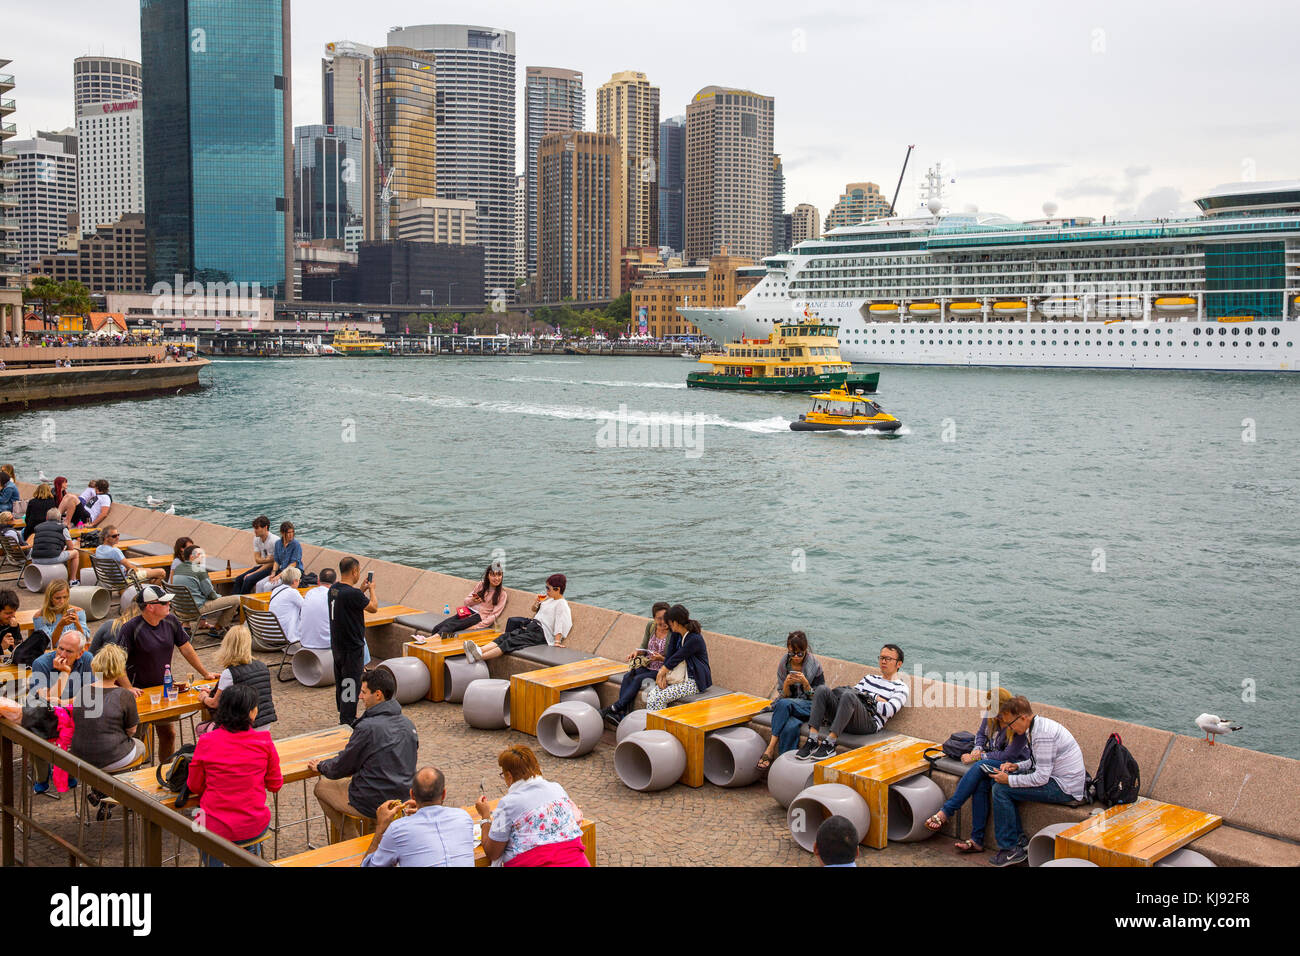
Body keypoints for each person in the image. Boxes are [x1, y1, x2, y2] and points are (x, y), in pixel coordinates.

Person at [308, 667, 418, 842]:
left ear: (378, 695)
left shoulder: (367, 728)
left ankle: (351, 839)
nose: (360, 696)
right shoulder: (408, 724)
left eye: (364, 692)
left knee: (322, 787)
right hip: (403, 796)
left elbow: (342, 766)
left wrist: (321, 766)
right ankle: (375, 835)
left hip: (372, 799)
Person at [117, 584, 219, 761]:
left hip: (164, 689)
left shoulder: (171, 621)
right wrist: (128, 687)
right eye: (164, 602)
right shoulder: (130, 629)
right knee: (136, 739)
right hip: (139, 692)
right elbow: (116, 663)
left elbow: (186, 648)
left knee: (169, 734)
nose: (169, 604)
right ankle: (136, 779)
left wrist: (205, 672)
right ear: (150, 606)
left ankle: (165, 772)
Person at [924, 687, 1031, 854]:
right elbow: (980, 735)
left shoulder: (1015, 724)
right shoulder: (991, 716)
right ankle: (977, 840)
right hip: (993, 762)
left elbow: (1007, 754)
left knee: (978, 767)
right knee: (980, 784)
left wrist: (978, 757)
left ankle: (946, 811)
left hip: (1014, 765)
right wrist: (977, 748)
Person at [187, 684, 283, 866]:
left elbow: (194, 785)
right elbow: (275, 784)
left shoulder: (206, 741)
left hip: (214, 826)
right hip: (253, 823)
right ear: (251, 713)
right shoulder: (264, 741)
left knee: (204, 838)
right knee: (249, 846)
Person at [988, 696, 1088, 867]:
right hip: (1057, 779)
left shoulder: (1042, 734)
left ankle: (1011, 848)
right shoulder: (1037, 727)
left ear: (1023, 717)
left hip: (1065, 787)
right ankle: (1018, 841)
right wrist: (1016, 767)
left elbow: (1041, 777)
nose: (1009, 729)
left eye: (1010, 724)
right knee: (998, 785)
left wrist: (1009, 780)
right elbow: (1038, 762)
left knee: (1001, 789)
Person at [473, 744, 588, 867]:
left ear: (509, 776)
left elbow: (492, 852)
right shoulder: (557, 788)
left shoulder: (507, 804)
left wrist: (485, 816)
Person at [795, 644, 909, 761]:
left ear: (899, 664)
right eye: (881, 658)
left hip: (868, 723)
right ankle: (812, 739)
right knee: (821, 690)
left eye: (888, 659)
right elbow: (853, 693)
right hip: (846, 716)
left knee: (849, 696)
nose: (883, 661)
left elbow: (889, 710)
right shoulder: (869, 678)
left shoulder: (901, 687)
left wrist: (864, 697)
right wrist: (874, 697)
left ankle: (829, 744)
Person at [362, 766, 476, 868]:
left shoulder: (397, 829)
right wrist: (425, 812)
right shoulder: (463, 817)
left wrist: (380, 828)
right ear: (444, 794)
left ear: (412, 794)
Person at [70, 644, 145, 774]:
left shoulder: (83, 691)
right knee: (140, 746)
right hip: (109, 756)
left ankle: (100, 788)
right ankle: (125, 788)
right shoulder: (124, 695)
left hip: (80, 755)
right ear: (120, 669)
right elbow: (132, 730)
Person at [757, 630, 827, 770]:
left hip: (812, 706)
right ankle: (785, 766)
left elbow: (820, 698)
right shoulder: (784, 664)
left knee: (782, 704)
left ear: (805, 650)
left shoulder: (814, 666)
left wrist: (806, 684)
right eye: (792, 653)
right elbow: (785, 695)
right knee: (790, 726)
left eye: (799, 654)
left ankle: (770, 748)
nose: (795, 657)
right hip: (791, 705)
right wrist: (786, 685)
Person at [464, 573, 571, 663]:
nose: (546, 590)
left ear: (557, 589)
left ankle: (479, 657)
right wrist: (537, 604)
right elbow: (534, 610)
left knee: (511, 642)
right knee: (505, 636)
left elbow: (560, 623)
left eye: (548, 588)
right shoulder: (549, 599)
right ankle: (479, 650)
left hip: (541, 634)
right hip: (532, 627)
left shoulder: (561, 604)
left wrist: (557, 642)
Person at [601, 601, 670, 727]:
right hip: (648, 664)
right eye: (659, 618)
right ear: (654, 618)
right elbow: (644, 646)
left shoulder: (673, 633)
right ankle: (622, 714)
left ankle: (615, 708)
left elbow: (673, 658)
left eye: (666, 617)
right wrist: (636, 653)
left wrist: (660, 658)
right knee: (628, 676)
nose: (663, 621)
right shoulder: (651, 626)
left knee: (638, 679)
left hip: (661, 669)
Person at [328, 557, 377, 725]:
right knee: (351, 682)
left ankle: (343, 710)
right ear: (355, 571)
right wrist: (371, 589)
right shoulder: (353, 594)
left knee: (341, 679)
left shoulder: (333, 590)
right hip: (352, 647)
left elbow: (348, 599)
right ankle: (347, 719)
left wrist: (360, 590)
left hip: (337, 645)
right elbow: (374, 607)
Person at [198, 625, 277, 728]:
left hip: (243, 727)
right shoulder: (262, 666)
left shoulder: (230, 673)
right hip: (264, 722)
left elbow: (214, 704)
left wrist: (204, 697)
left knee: (201, 728)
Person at [645, 604, 712, 711]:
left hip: (694, 681)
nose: (668, 626)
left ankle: (660, 726)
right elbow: (670, 656)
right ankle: (652, 725)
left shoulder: (694, 638)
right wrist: (663, 676)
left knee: (659, 698)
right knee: (652, 694)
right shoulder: (676, 634)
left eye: (669, 623)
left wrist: (661, 672)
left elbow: (678, 657)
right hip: (679, 677)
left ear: (675, 622)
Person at [170, 543, 241, 633]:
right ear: (192, 557)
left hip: (180, 610)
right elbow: (210, 594)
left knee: (192, 596)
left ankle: (186, 627)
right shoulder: (199, 570)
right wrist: (221, 598)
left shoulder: (178, 568)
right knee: (236, 599)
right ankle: (218, 628)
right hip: (195, 611)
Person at [426, 561, 507, 638]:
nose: (496, 578)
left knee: (450, 626)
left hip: (478, 617)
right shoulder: (480, 585)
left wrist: (477, 626)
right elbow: (466, 602)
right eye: (493, 575)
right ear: (488, 576)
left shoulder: (502, 594)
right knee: (438, 627)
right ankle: (432, 642)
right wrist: (473, 600)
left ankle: (428, 640)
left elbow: (494, 615)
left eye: (499, 575)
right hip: (466, 612)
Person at [29, 628, 95, 704]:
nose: (62, 654)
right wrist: (65, 672)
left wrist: (64, 702)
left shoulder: (87, 658)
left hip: (77, 708)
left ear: (79, 654)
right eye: (61, 648)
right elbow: (46, 702)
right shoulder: (40, 664)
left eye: (69, 651)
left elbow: (92, 694)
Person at [94, 525, 166, 584]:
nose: (117, 537)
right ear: (106, 538)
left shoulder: (98, 549)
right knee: (161, 572)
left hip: (110, 578)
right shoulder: (115, 551)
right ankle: (151, 594)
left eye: (118, 535)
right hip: (124, 579)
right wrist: (138, 570)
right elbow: (131, 568)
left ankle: (150, 591)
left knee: (150, 571)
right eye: (114, 536)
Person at [32, 580, 89, 652]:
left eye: (65, 597)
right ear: (50, 598)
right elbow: (48, 645)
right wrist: (60, 625)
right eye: (58, 598)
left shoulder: (78, 612)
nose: (62, 601)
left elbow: (85, 640)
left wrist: (77, 623)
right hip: (53, 653)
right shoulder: (40, 617)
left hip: (75, 652)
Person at [29, 507, 80, 582]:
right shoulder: (62, 528)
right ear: (59, 518)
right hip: (52, 558)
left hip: (35, 559)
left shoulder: (38, 527)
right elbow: (71, 547)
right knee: (75, 553)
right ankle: (73, 580)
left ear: (46, 517)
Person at [234, 516, 276, 594]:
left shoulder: (273, 541)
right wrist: (267, 559)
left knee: (248, 579)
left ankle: (242, 603)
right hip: (264, 566)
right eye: (254, 528)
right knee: (239, 579)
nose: (254, 530)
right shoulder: (256, 539)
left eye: (257, 528)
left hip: (273, 568)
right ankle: (234, 602)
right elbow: (257, 560)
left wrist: (254, 573)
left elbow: (272, 563)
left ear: (265, 527)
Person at [298, 567, 335, 650]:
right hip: (325, 644)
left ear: (318, 581)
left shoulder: (310, 593)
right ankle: (362, 662)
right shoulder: (333, 595)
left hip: (304, 642)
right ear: (334, 583)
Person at [267, 566, 304, 644]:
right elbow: (306, 607)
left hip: (271, 632)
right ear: (295, 581)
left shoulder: (276, 590)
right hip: (283, 635)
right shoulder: (292, 592)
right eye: (299, 580)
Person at [0, 589, 20, 658]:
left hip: (5, 660)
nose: (12, 616)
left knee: (23, 664)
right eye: (8, 613)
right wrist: (2, 647)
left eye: (14, 612)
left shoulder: (12, 624)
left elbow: (18, 648)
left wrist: (15, 629)